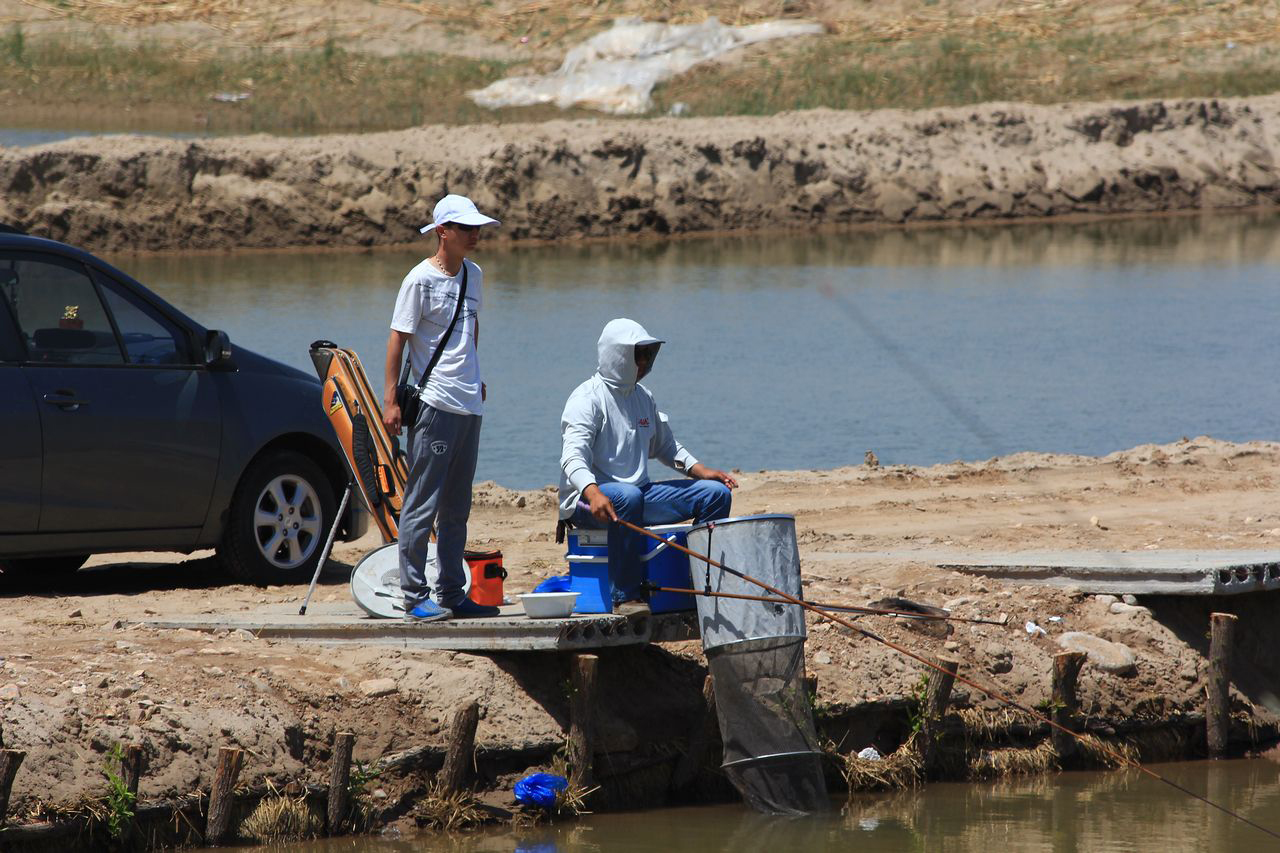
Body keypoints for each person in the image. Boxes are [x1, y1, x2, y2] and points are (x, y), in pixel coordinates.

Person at [559, 318, 738, 596]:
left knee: (716, 494)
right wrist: (593, 493)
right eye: (638, 354)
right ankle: (626, 595)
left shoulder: (643, 397)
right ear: (618, 356)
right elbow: (572, 458)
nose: (644, 361)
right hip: (589, 503)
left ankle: (700, 586)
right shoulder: (587, 399)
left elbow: (665, 446)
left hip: (637, 496)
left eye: (649, 354)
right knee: (629, 497)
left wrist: (700, 470)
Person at [383, 194, 499, 622]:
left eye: (477, 227)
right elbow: (398, 337)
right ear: (442, 232)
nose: (475, 234)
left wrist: (475, 374)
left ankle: (451, 592)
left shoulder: (475, 275)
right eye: (467, 228)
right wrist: (391, 399)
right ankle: (412, 595)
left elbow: (471, 328)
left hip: (469, 404)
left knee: (457, 506)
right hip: (433, 402)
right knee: (421, 501)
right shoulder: (419, 280)